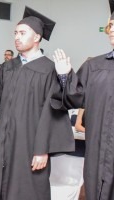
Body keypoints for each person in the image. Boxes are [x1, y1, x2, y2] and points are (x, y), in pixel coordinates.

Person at [0, 6, 74, 199]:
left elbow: (54, 112)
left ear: (37, 37)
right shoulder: (8, 67)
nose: (17, 37)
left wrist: (43, 149)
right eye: (15, 33)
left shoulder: (49, 69)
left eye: (23, 33)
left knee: (27, 189)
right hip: (4, 141)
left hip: (31, 145)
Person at [51, 7, 114, 200]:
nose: (111, 29)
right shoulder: (94, 66)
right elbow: (73, 97)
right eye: (110, 25)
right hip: (98, 152)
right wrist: (64, 77)